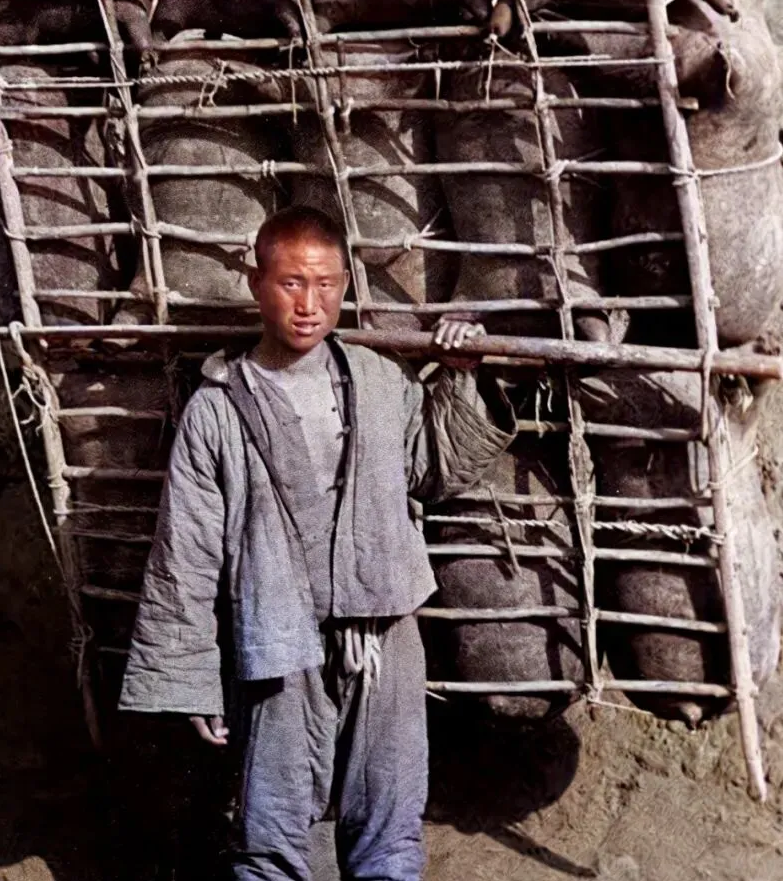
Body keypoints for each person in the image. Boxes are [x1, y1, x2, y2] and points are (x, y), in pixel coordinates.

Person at [119, 206, 515, 881]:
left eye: (326, 284)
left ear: (345, 286)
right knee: (269, 832)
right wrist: (192, 679)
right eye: (292, 283)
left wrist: (462, 372)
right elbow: (186, 553)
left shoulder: (379, 381)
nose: (310, 304)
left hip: (385, 632)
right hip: (276, 644)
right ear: (257, 284)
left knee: (390, 825)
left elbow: (434, 468)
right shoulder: (218, 408)